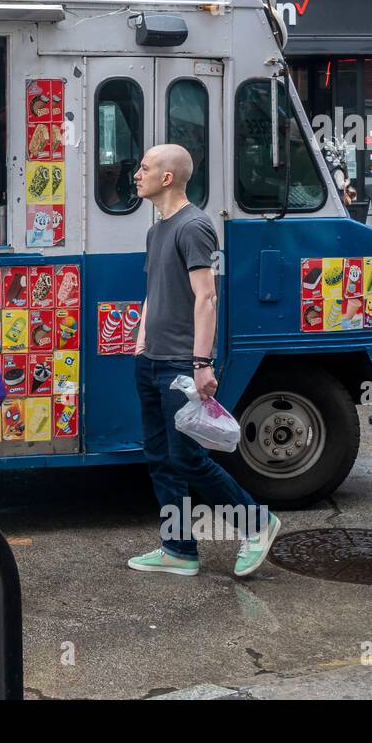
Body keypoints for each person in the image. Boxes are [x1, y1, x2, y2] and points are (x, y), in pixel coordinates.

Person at [127, 145, 280, 578]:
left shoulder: (195, 226)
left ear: (168, 177)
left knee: (189, 458)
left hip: (180, 365)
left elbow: (206, 296)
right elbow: (155, 290)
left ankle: (258, 524)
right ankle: (178, 549)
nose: (137, 174)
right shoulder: (157, 230)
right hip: (151, 361)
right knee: (160, 458)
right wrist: (141, 340)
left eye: (145, 168)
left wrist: (202, 363)